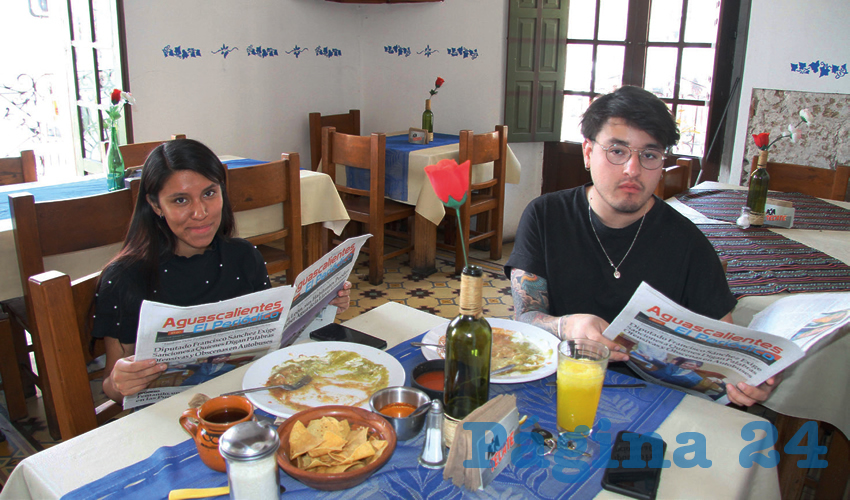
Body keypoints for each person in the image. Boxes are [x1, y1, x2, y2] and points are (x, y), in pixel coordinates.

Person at [505, 86, 777, 406]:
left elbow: (724, 350)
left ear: (661, 164)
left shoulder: (688, 244)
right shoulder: (545, 215)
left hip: (653, 401)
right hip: (562, 385)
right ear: (588, 152)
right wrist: (567, 324)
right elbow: (525, 319)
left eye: (649, 155)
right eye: (617, 151)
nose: (632, 170)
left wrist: (749, 380)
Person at [92, 139, 351, 403]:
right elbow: (112, 388)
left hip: (245, 400)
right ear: (156, 205)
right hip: (171, 416)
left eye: (209, 193)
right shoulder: (124, 278)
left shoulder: (244, 256)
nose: (200, 212)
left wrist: (323, 306)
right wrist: (119, 381)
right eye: (180, 200)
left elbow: (273, 341)